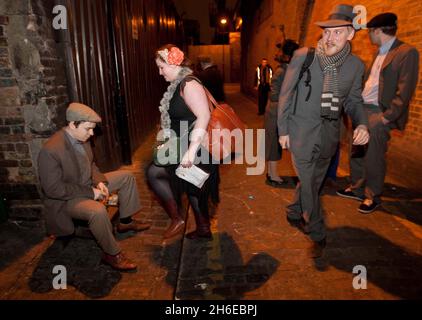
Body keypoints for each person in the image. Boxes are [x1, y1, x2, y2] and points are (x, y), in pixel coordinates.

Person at [277, 4, 370, 258]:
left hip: (330, 133)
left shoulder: (355, 67)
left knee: (315, 180)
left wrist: (361, 123)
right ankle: (316, 226)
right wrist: (282, 129)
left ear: (351, 34)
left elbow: (353, 100)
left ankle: (295, 210)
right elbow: (285, 95)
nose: (330, 38)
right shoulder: (305, 56)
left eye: (337, 33)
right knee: (307, 180)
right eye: (327, 32)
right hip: (300, 130)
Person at [37, 102, 151, 272]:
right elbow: (53, 189)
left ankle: (126, 221)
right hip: (67, 198)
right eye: (88, 129)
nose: (91, 134)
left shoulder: (81, 137)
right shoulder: (51, 150)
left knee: (126, 177)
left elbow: (92, 165)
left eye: (92, 129)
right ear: (72, 124)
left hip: (88, 184)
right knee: (97, 211)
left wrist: (100, 182)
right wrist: (91, 192)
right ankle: (111, 254)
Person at [337, 13, 419, 213]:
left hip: (378, 113)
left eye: (370, 32)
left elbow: (405, 89)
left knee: (373, 156)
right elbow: (373, 83)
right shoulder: (379, 51)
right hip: (362, 108)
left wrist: (387, 117)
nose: (368, 37)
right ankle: (356, 188)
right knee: (357, 150)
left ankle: (372, 196)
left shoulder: (406, 52)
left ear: (378, 31)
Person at [146, 44, 219, 240]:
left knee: (155, 173)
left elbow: (204, 116)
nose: (160, 72)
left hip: (195, 146)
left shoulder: (189, 84)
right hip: (182, 144)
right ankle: (203, 229)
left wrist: (191, 151)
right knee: (193, 188)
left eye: (161, 67)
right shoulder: (177, 85)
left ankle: (177, 218)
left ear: (173, 63)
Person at [265, 39, 299, 187]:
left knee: (278, 142)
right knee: (273, 142)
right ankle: (272, 174)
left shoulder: (288, 69)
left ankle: (272, 173)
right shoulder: (283, 70)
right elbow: (274, 94)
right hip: (276, 111)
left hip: (279, 109)